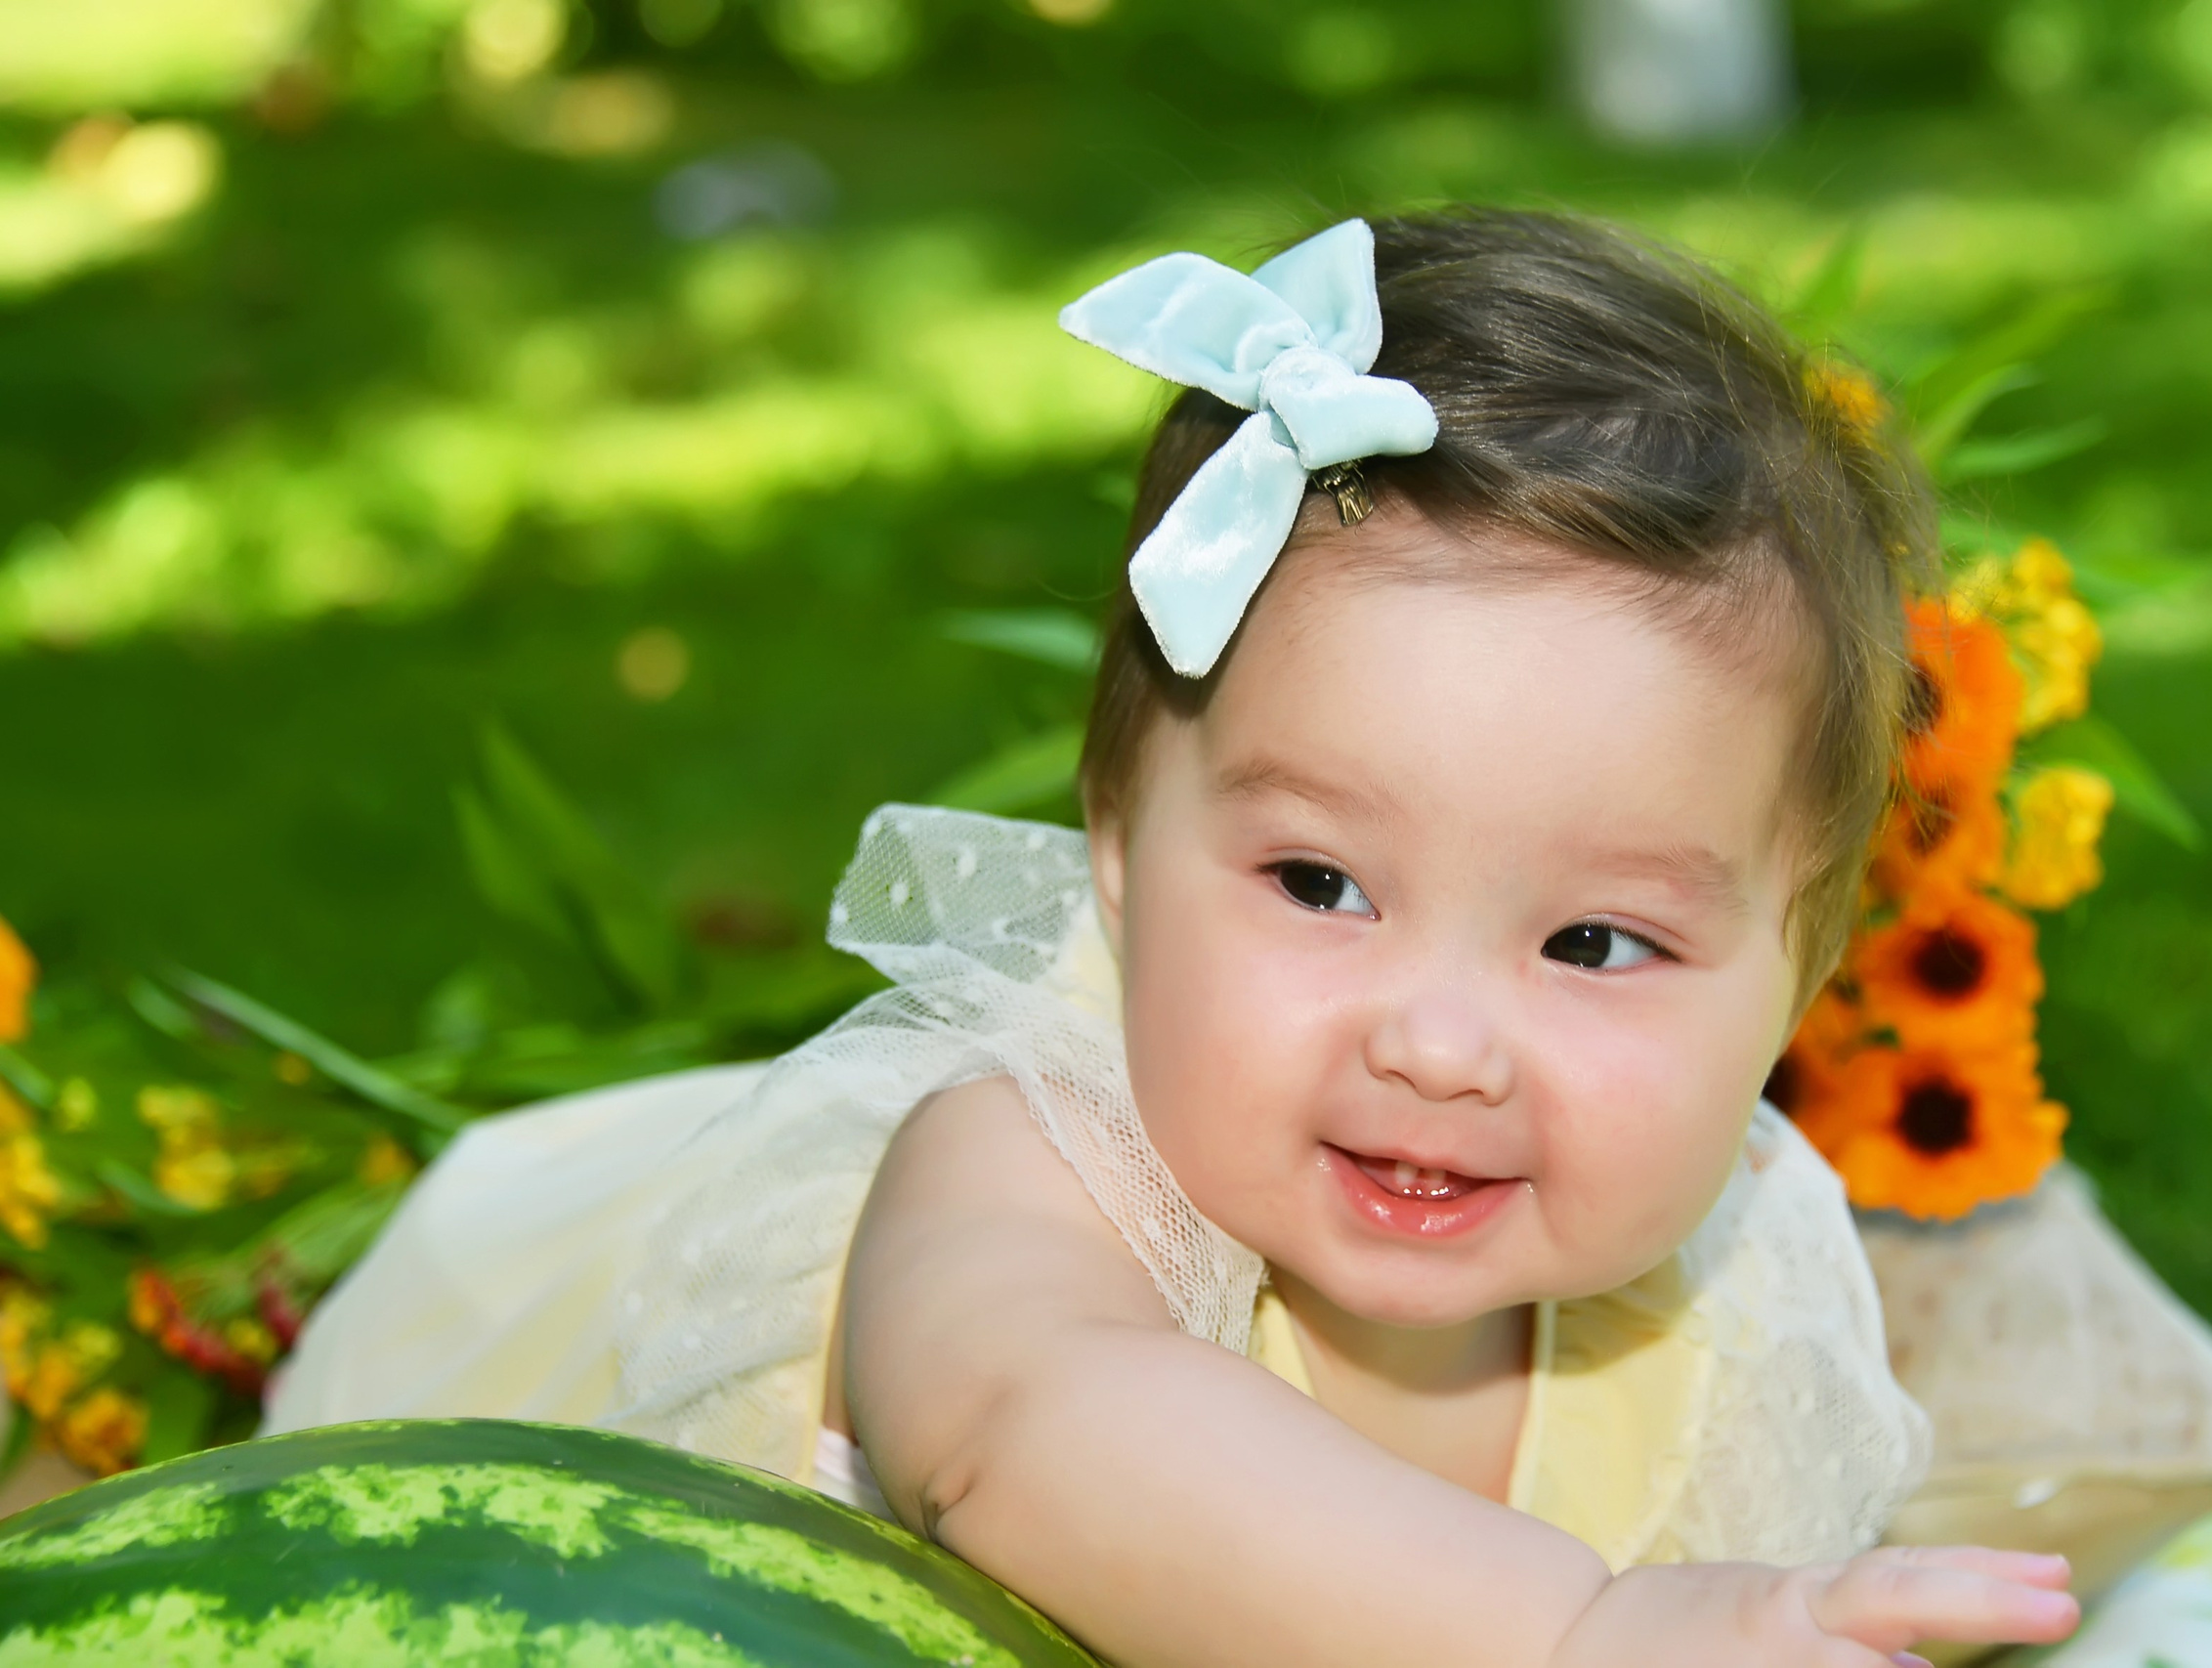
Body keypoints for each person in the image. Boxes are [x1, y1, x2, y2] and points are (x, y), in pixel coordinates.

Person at [268, 209, 2081, 1667]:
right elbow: (1024, 1436)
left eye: (1598, 945)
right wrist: (1578, 1633)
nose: (1441, 1043)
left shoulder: (1743, 1315)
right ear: (1120, 847)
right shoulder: (1034, 1171)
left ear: (1802, 968)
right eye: (1319, 886)